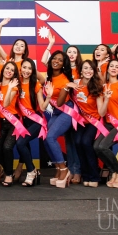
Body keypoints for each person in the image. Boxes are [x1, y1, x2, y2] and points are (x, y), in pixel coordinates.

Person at [94, 59, 118, 189]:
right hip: (108, 123)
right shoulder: (102, 87)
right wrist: (107, 99)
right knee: (96, 147)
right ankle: (116, 172)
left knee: (104, 146)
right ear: (108, 69)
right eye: (112, 66)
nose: (114, 68)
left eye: (117, 66)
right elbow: (102, 113)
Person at [43, 51, 77, 188]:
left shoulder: (64, 80)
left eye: (60, 60)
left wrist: (65, 88)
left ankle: (64, 169)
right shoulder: (50, 76)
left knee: (51, 137)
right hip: (56, 112)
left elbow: (61, 102)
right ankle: (58, 168)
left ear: (64, 64)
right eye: (54, 58)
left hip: (66, 111)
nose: (56, 61)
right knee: (46, 138)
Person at [69, 61, 105, 188]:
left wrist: (107, 100)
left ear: (94, 70)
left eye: (91, 68)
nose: (88, 71)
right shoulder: (76, 83)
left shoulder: (97, 86)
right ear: (81, 70)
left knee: (85, 143)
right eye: (85, 68)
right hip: (80, 120)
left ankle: (94, 175)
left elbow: (101, 111)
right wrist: (68, 85)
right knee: (78, 143)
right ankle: (86, 175)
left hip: (93, 121)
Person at [14, 59, 49, 187]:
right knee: (24, 145)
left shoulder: (36, 85)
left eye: (30, 68)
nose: (27, 71)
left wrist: (49, 97)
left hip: (36, 121)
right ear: (20, 69)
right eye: (24, 67)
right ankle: (33, 171)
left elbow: (43, 107)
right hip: (23, 121)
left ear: (33, 70)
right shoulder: (16, 84)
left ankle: (31, 171)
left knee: (20, 143)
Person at [0, 61, 23, 187]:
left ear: (14, 73)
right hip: (1, 122)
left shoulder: (14, 86)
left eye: (12, 70)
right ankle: (7, 171)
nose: (9, 71)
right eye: (7, 68)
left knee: (7, 147)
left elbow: (5, 104)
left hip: (12, 122)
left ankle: (9, 175)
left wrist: (10, 88)